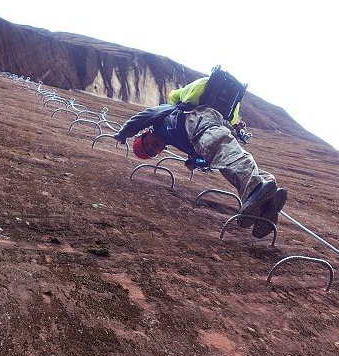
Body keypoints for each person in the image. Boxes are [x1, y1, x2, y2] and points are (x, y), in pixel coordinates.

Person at [112, 77, 287, 239]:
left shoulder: (162, 116)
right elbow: (200, 152)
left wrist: (123, 134)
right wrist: (194, 161)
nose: (152, 147)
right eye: (151, 152)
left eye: (147, 144)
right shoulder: (173, 140)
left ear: (145, 134)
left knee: (218, 145)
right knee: (225, 163)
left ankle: (257, 189)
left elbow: (140, 117)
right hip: (201, 126)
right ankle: (266, 203)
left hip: (198, 118)